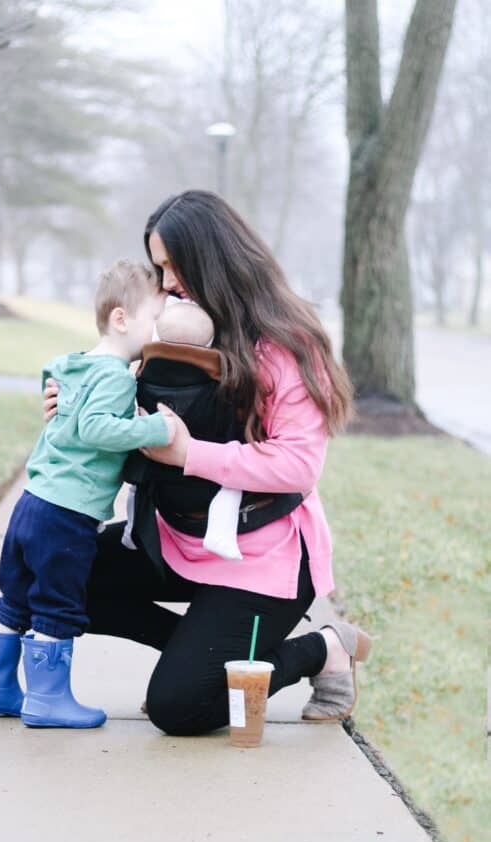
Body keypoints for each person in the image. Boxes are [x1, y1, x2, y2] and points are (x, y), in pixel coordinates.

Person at [43, 191, 373, 736]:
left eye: (175, 265)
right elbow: (121, 414)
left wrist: (188, 454)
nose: (167, 281)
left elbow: (296, 466)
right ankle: (202, 664)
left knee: (181, 709)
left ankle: (321, 650)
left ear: (212, 260)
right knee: (55, 575)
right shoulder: (170, 335)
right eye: (159, 266)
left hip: (263, 558)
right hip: (174, 538)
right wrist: (73, 409)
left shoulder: (286, 344)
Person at [0, 259, 174, 729]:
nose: (158, 332)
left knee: (14, 599)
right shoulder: (117, 376)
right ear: (121, 319)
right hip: (66, 516)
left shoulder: (74, 365)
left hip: (31, 503)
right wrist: (156, 426)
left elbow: (52, 382)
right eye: (153, 321)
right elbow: (96, 427)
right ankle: (47, 701)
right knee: (57, 604)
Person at [121, 295, 249, 561]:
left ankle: (131, 528)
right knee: (235, 482)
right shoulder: (218, 374)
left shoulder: (144, 370)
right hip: (208, 465)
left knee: (137, 485)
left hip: (151, 460)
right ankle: (221, 531)